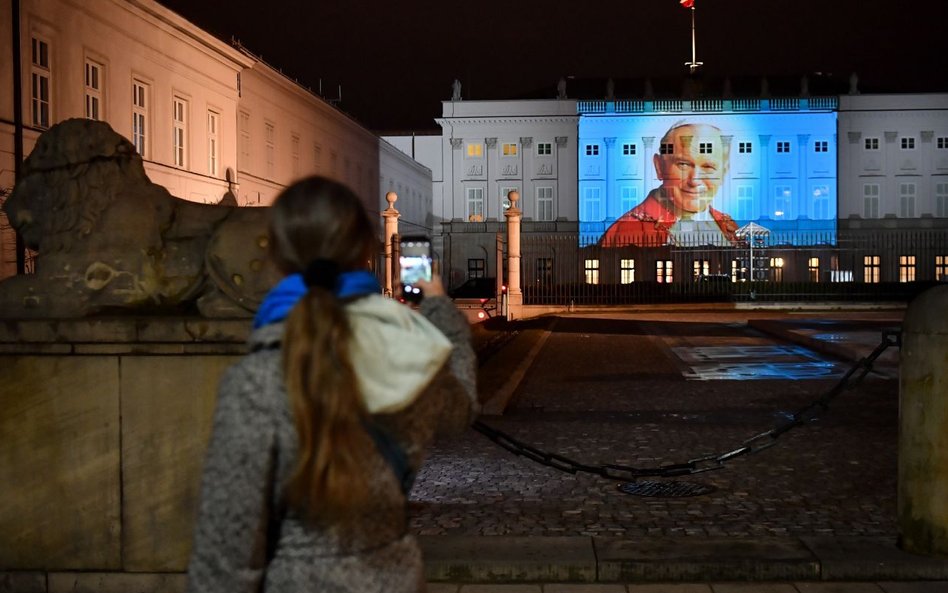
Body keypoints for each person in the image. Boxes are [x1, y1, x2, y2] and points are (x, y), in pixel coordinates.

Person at [186, 176, 478, 593]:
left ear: (280, 258)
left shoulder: (257, 380)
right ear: (365, 252)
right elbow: (461, 408)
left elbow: (227, 551)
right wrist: (440, 310)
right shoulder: (409, 352)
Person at [599, 121, 738, 247]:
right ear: (659, 167)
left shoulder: (727, 225)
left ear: (723, 173)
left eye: (708, 167)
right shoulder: (625, 230)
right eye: (683, 164)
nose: (695, 180)